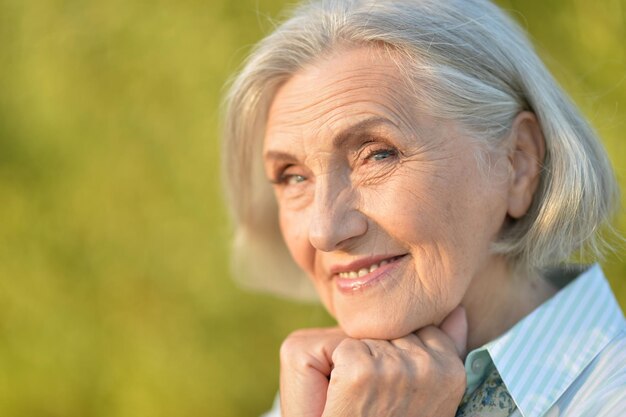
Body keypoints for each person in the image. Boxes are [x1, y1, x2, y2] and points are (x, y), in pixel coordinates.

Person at [221, 0, 626, 415]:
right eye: (294, 177)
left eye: (377, 155)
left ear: (518, 163)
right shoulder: (320, 393)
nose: (323, 230)